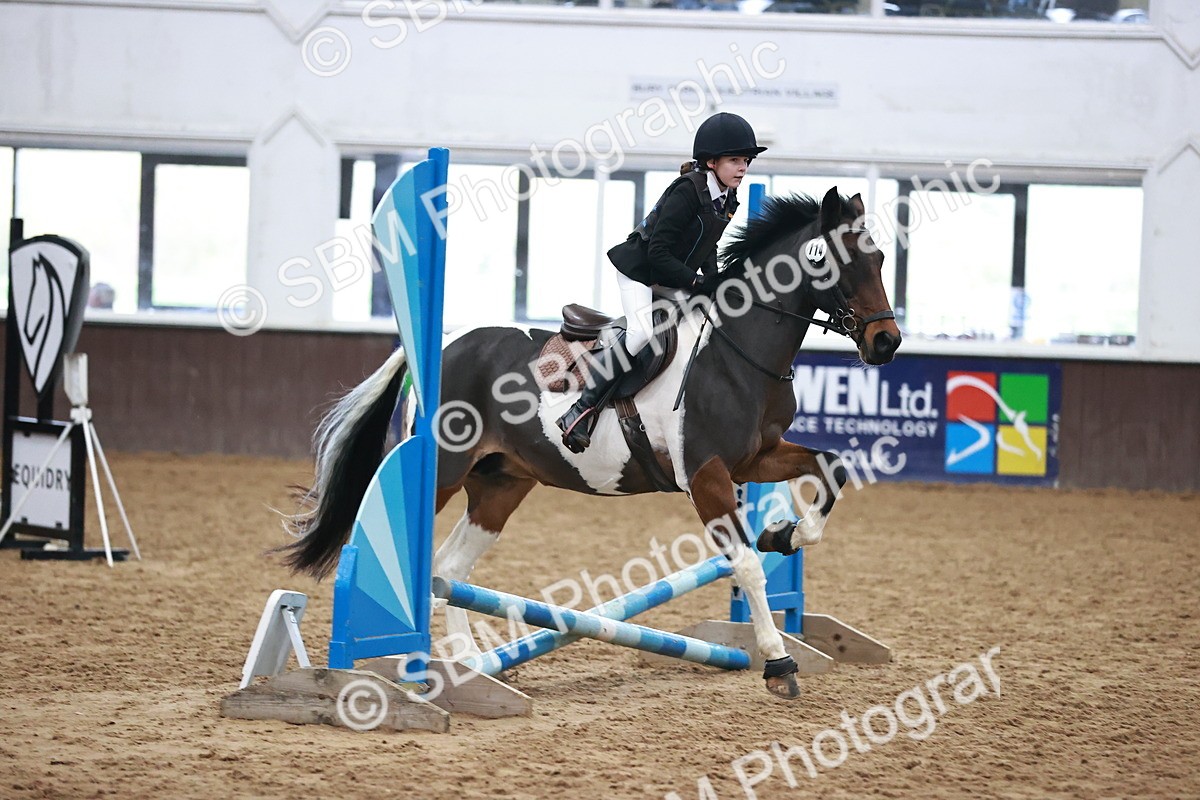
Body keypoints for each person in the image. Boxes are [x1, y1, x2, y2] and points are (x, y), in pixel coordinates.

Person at [556, 111, 767, 454]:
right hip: (640, 270)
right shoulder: (687, 191)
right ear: (711, 162)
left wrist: (713, 283)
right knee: (640, 333)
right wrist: (697, 284)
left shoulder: (728, 198)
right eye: (734, 160)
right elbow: (657, 252)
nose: (742, 167)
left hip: (672, 275)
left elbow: (707, 246)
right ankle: (580, 411)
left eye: (746, 161)